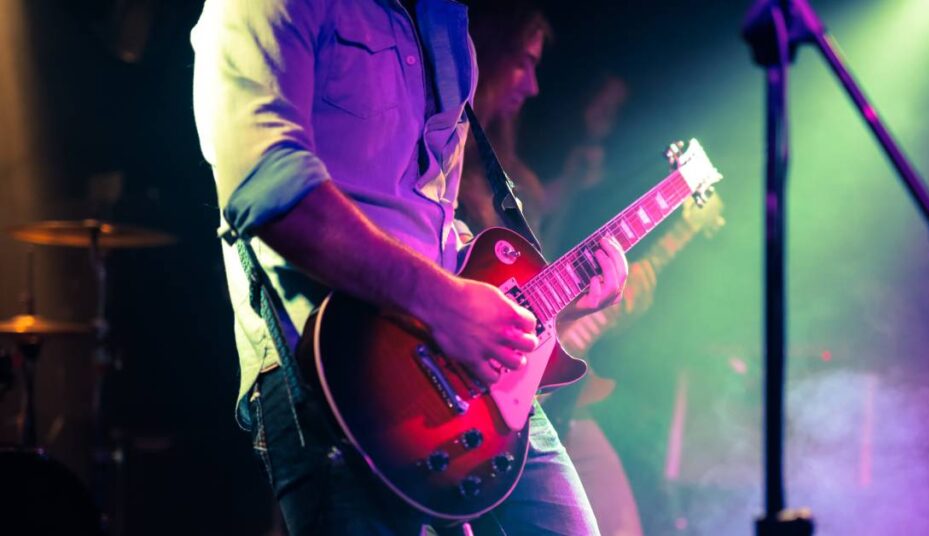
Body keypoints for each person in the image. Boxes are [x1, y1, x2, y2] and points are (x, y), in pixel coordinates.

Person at [190, 0, 628, 534]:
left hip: (465, 375)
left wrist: (543, 297)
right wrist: (446, 305)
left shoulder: (444, 19)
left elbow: (432, 218)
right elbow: (269, 191)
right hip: (336, 376)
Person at [458, 4, 649, 535]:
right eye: (523, 62)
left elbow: (536, 282)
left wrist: (582, 305)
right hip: (460, 386)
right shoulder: (445, 163)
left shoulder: (515, 179)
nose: (533, 85)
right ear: (484, 55)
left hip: (521, 381)